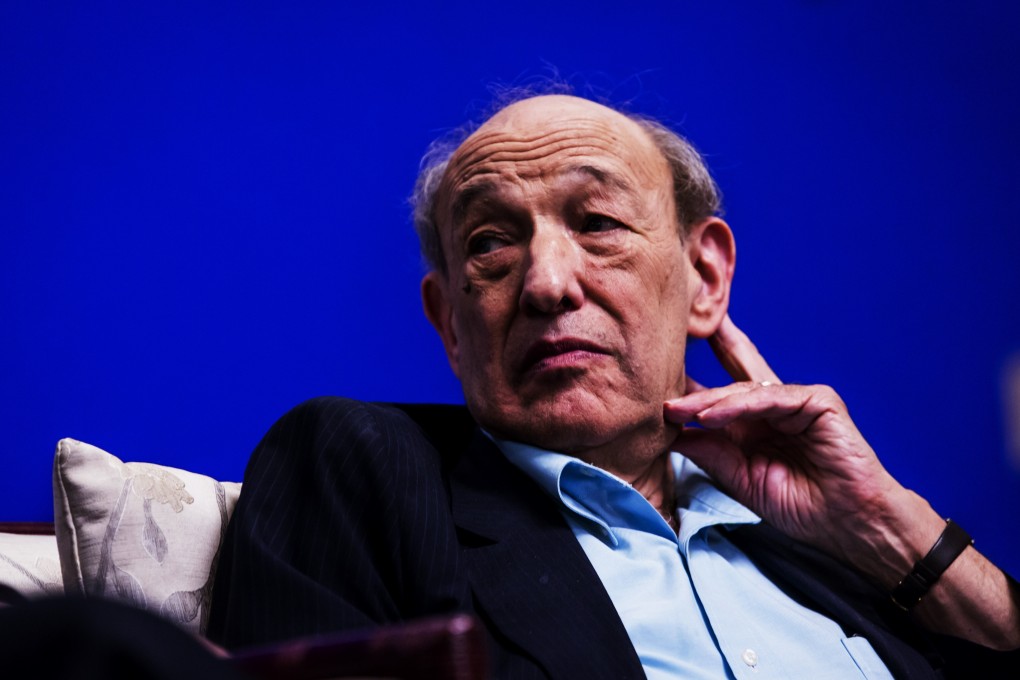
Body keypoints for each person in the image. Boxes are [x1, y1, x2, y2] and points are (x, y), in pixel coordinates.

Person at [207, 93, 1020, 678]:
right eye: (491, 243)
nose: (547, 283)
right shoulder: (362, 468)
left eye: (596, 225)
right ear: (450, 322)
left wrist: (893, 534)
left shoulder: (823, 539)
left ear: (704, 277)